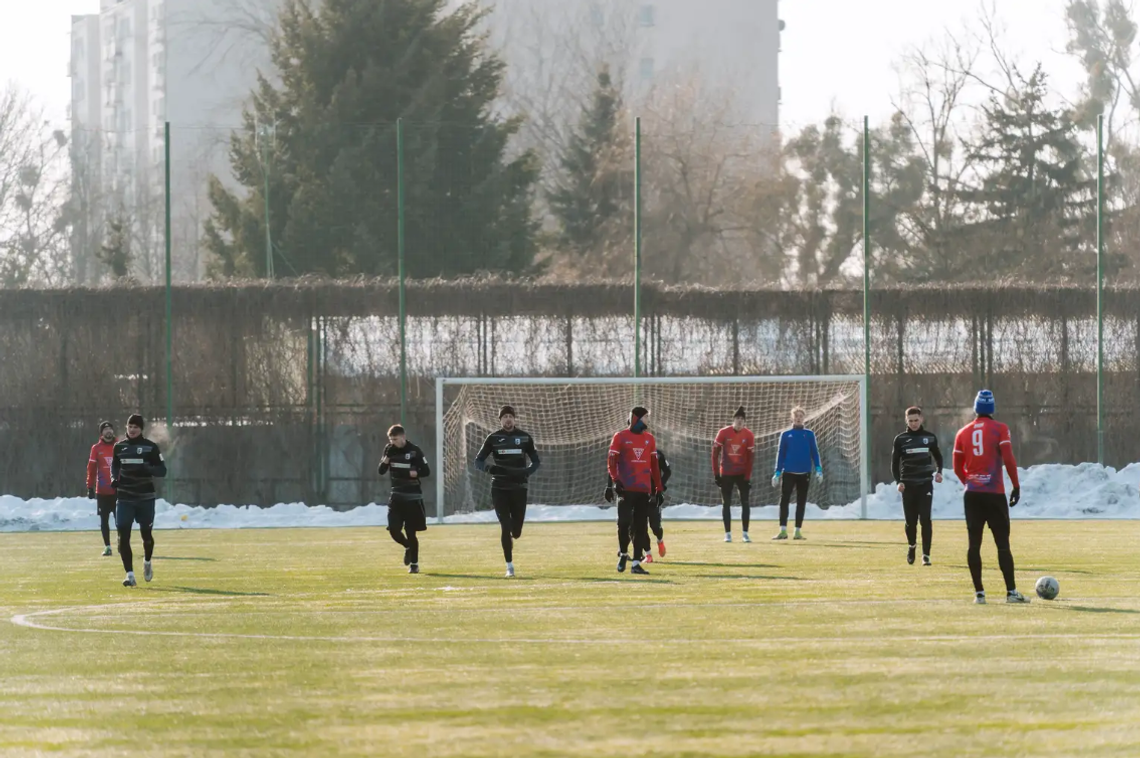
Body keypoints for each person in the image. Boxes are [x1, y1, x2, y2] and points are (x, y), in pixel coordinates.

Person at [952, 390, 1030, 604]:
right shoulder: (1000, 429)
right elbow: (1009, 459)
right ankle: (1011, 593)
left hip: (972, 495)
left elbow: (957, 467)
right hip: (994, 494)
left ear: (976, 408)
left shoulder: (962, 432)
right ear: (993, 408)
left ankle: (979, 594)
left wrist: (970, 482)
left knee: (974, 544)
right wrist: (1015, 485)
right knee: (1003, 545)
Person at [475, 405, 541, 578]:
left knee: (516, 531)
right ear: (500, 420)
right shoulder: (493, 438)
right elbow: (478, 460)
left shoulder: (525, 438)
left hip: (519, 488)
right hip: (499, 488)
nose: (508, 419)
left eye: (510, 416)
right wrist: (490, 469)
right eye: (504, 417)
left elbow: (536, 461)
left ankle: (512, 535)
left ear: (515, 419)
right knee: (505, 526)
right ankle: (509, 566)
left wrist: (527, 471)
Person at [110, 414, 166, 587]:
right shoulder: (119, 447)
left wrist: (147, 467)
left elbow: (162, 470)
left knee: (146, 536)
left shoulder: (151, 448)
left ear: (141, 429)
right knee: (123, 535)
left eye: (136, 427)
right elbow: (115, 465)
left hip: (145, 498)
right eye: (130, 426)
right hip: (125, 498)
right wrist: (114, 478)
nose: (132, 430)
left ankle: (147, 561)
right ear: (126, 428)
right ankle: (130, 575)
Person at [606, 406, 663, 575]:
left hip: (643, 491)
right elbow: (611, 462)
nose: (648, 420)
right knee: (623, 524)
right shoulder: (620, 437)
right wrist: (615, 481)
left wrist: (658, 489)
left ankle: (636, 563)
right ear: (636, 418)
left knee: (640, 527)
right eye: (646, 417)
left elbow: (654, 466)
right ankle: (624, 553)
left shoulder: (650, 439)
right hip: (625, 489)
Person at [892, 406, 944, 566]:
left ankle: (926, 555)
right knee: (910, 521)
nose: (914, 423)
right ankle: (912, 546)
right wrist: (898, 481)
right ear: (906, 421)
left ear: (921, 419)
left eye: (916, 420)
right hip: (908, 485)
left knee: (926, 519)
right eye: (911, 421)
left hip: (925, 484)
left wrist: (939, 471)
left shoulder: (929, 437)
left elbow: (938, 457)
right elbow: (894, 464)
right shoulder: (900, 439)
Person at [378, 424, 431, 574]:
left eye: (395, 439)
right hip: (396, 495)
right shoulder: (389, 450)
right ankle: (407, 546)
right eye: (391, 439)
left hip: (413, 497)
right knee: (394, 529)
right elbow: (381, 471)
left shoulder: (415, 451)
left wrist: (415, 473)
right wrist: (387, 458)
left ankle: (414, 564)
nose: (392, 442)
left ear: (403, 437)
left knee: (410, 531)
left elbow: (426, 471)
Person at [611, 448, 672, 563]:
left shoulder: (657, 455)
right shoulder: (630, 455)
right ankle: (648, 554)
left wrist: (660, 486)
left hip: (653, 495)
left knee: (655, 526)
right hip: (639, 494)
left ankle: (659, 540)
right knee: (639, 526)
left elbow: (667, 471)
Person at [772, 406, 822, 540]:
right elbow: (781, 454)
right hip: (788, 472)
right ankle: (782, 530)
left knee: (801, 501)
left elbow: (814, 453)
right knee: (784, 500)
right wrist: (777, 472)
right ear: (792, 418)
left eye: (801, 416)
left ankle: (797, 531)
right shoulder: (785, 434)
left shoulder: (809, 434)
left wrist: (818, 469)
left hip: (804, 472)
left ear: (804, 418)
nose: (799, 418)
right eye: (796, 416)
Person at [712, 406, 755, 543]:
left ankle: (745, 533)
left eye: (742, 419)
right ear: (733, 420)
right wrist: (716, 474)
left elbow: (750, 459)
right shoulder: (723, 433)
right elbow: (714, 454)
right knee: (726, 503)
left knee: (745, 502)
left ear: (745, 421)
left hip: (741, 473)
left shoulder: (749, 435)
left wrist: (747, 477)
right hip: (727, 473)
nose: (740, 421)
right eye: (737, 419)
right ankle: (728, 534)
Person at [86, 421, 118, 556]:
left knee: (121, 521)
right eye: (105, 430)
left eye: (110, 429)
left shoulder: (120, 446)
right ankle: (108, 547)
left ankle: (122, 544)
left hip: (118, 490)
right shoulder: (96, 448)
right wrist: (90, 487)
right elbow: (91, 469)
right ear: (101, 433)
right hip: (102, 491)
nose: (108, 431)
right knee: (104, 520)